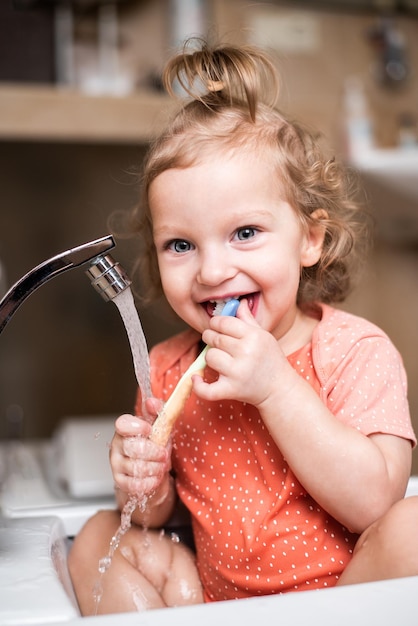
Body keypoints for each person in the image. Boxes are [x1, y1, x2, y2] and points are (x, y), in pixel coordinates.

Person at [68, 39, 418, 615]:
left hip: (346, 600)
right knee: (102, 536)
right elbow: (157, 517)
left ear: (310, 238)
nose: (211, 271)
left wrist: (276, 386)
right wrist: (142, 482)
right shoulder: (167, 368)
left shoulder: (355, 351)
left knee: (411, 528)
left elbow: (375, 503)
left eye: (245, 233)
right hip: (214, 603)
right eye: (181, 244)